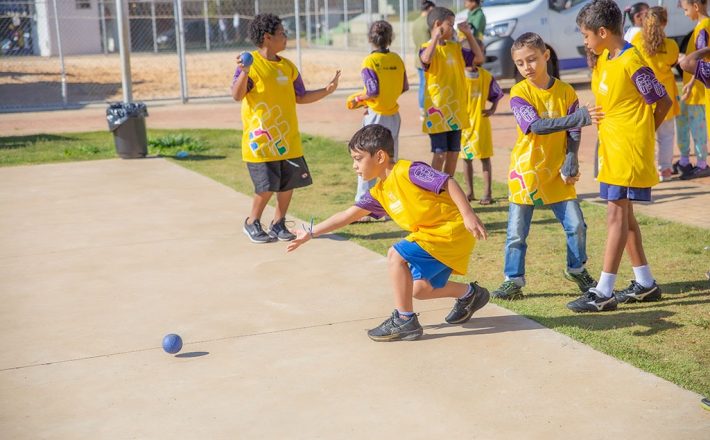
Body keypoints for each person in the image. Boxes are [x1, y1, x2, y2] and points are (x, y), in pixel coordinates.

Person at [287, 125, 489, 341]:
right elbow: (347, 215)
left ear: (380, 156)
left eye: (358, 158)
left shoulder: (408, 171)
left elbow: (447, 181)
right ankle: (469, 294)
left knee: (396, 254)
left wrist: (468, 213)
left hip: (451, 230)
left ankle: (405, 320)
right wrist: (311, 232)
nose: (354, 166)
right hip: (431, 237)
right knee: (419, 290)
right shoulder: (380, 192)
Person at [568, 0, 672, 312]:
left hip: (627, 151)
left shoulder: (632, 61)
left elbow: (662, 102)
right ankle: (645, 283)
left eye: (586, 35)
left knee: (615, 215)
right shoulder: (605, 58)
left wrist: (642, 135)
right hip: (610, 150)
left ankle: (603, 292)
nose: (585, 41)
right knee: (624, 218)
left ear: (602, 32)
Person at [491, 32, 601, 301]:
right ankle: (513, 280)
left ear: (546, 56)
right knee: (517, 233)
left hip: (556, 173)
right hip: (525, 172)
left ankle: (576, 269)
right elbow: (536, 127)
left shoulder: (566, 91)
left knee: (576, 225)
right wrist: (577, 118)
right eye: (520, 63)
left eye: (532, 60)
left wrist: (571, 156)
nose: (527, 67)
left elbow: (574, 128)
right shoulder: (518, 92)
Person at [231, 13, 341, 243]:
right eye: (282, 33)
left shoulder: (288, 67)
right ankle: (252, 222)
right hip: (260, 140)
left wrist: (327, 90)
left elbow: (300, 96)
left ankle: (278, 223)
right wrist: (244, 71)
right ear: (268, 37)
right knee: (266, 186)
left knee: (287, 183)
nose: (286, 37)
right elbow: (237, 95)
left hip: (287, 138)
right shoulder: (250, 62)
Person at [347, 20, 408, 205]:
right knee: (389, 160)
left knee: (366, 158)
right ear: (390, 38)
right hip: (393, 115)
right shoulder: (397, 59)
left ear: (370, 38)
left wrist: (358, 99)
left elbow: (372, 90)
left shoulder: (370, 61)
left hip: (375, 116)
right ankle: (390, 202)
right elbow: (404, 86)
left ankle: (364, 203)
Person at [420, 6, 484, 176]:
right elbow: (426, 59)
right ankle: (433, 191)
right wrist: (435, 38)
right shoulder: (426, 47)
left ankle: (446, 192)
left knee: (453, 154)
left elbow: (479, 58)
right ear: (438, 24)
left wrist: (469, 35)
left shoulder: (455, 48)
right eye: (450, 24)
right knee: (440, 154)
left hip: (455, 112)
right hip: (438, 113)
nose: (453, 28)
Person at [631, 7, 680, 181]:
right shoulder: (671, 45)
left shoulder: (636, 40)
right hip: (665, 97)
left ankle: (645, 170)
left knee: (646, 136)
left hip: (644, 96)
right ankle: (665, 171)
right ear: (665, 23)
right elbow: (674, 62)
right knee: (666, 136)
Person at [459, 51, 504, 204]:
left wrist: (492, 109)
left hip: (480, 123)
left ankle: (487, 193)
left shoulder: (485, 76)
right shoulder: (459, 76)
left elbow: (496, 93)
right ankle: (470, 192)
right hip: (465, 124)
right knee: (467, 158)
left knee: (484, 158)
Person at [676, 0, 710, 179]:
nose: (685, 13)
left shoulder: (703, 27)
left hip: (700, 90)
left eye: (686, 9)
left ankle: (702, 163)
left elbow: (700, 61)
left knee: (699, 128)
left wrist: (691, 84)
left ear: (696, 6)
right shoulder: (700, 27)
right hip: (696, 86)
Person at [412, 1, 436, 118]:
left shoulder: (415, 22)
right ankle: (425, 110)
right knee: (425, 85)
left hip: (417, 57)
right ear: (430, 8)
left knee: (422, 84)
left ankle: (422, 109)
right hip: (426, 58)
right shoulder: (428, 23)